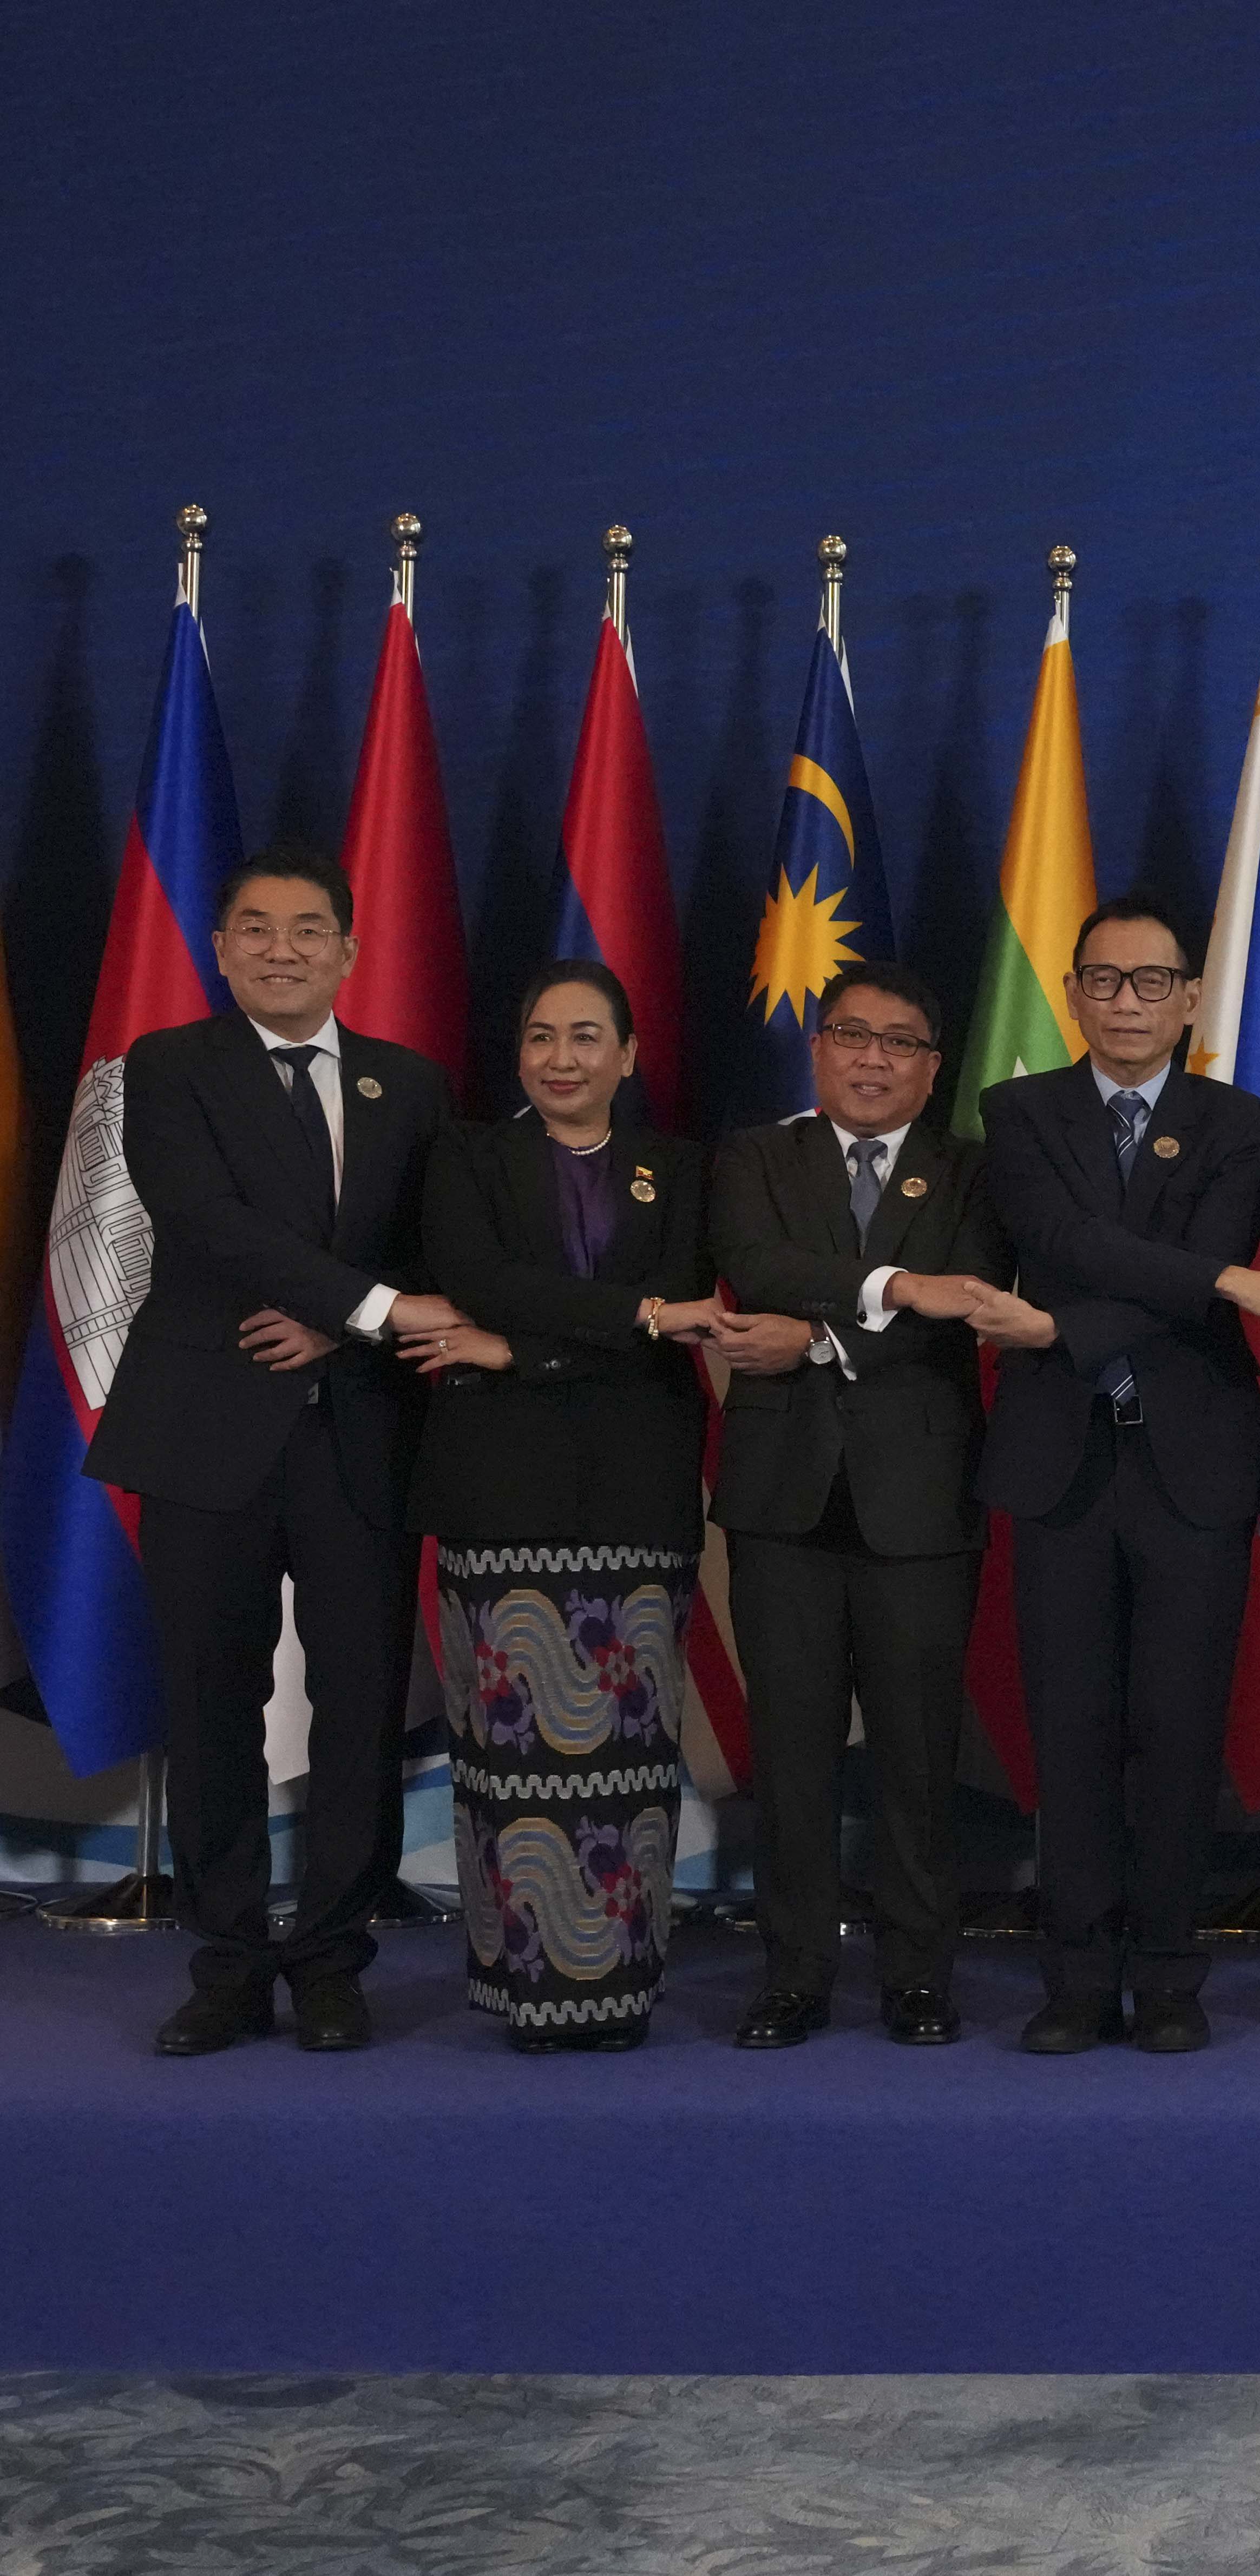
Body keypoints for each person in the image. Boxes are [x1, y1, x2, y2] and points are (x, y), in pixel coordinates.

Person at [96, 853, 463, 2055]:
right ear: (220, 949)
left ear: (349, 952)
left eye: (309, 929)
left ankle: (332, 1959)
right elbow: (203, 1219)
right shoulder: (169, 1065)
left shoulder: (409, 1082)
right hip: (209, 1429)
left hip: (359, 1430)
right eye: (255, 928)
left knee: (360, 1708)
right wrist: (363, 1303)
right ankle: (230, 1961)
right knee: (213, 1705)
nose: (281, 949)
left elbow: (440, 1244)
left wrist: (345, 1322)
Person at [970, 897, 1260, 2055]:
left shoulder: (1240, 1121)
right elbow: (1060, 1238)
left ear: (1191, 998)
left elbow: (1208, 1262)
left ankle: (1168, 1976)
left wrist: (1062, 1326)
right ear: (1070, 993)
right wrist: (1207, 1282)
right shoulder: (1017, 1111)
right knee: (1071, 1729)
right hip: (1060, 1461)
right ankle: (1075, 1979)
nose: (1127, 1002)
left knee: (1180, 1727)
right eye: (1103, 980)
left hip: (1191, 1462)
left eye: (1152, 981)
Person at [405, 960, 716, 2051]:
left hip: (638, 1496)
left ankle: (618, 1990)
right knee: (510, 1764)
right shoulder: (467, 1157)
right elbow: (478, 1277)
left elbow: (683, 1313)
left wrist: (516, 1352)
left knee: (628, 1759)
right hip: (502, 1499)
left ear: (628, 1054)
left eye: (587, 1036)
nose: (562, 1057)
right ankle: (528, 1991)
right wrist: (632, 1316)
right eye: (542, 1036)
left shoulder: (683, 1169)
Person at [705, 962, 1010, 2049]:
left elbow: (967, 1296)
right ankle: (794, 1973)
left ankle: (918, 1974)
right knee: (789, 1751)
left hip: (919, 1499)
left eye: (899, 1041)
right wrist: (890, 1290)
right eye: (851, 1034)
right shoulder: (755, 1156)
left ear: (932, 1068)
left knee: (918, 1756)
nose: (872, 1058)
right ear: (818, 1048)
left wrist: (817, 1337)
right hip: (780, 1498)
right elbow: (754, 1262)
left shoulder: (973, 1172)